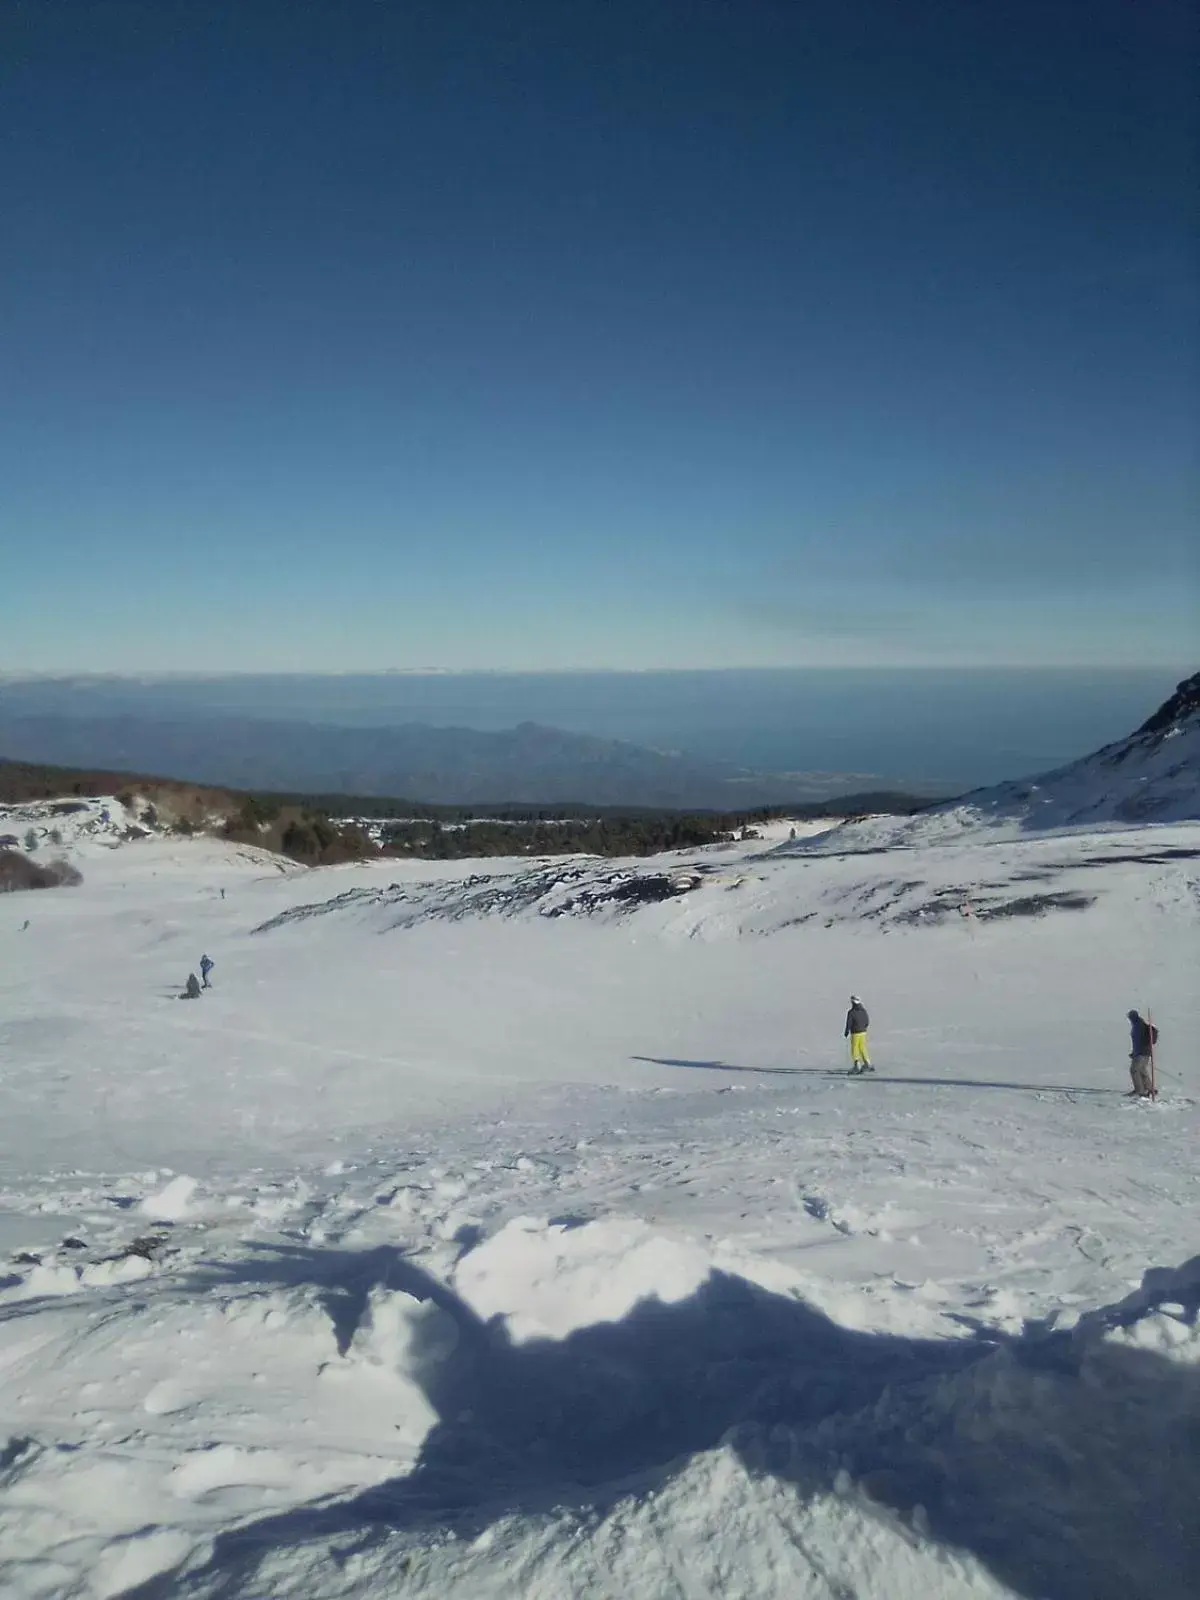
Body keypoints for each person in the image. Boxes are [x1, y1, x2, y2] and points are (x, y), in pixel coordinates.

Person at [1126, 1009, 1158, 1098]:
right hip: (1146, 1053)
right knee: (1142, 1070)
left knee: (1134, 1070)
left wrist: (1135, 1053)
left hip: (1140, 1054)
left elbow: (1138, 1042)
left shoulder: (1137, 1026)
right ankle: (1150, 1088)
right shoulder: (1141, 1024)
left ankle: (1140, 1091)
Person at [845, 994, 872, 1074]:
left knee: (855, 1048)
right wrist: (864, 1027)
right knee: (863, 1047)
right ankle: (867, 1062)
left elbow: (849, 1023)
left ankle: (857, 1064)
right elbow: (867, 1021)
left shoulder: (851, 1012)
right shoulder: (863, 1011)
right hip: (863, 1032)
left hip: (855, 1033)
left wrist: (846, 1031)